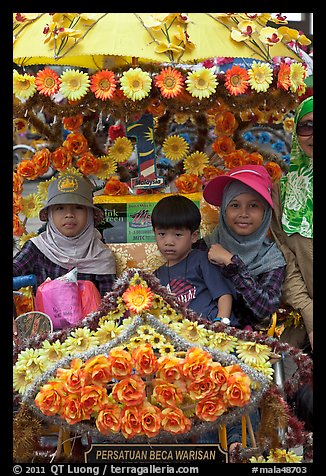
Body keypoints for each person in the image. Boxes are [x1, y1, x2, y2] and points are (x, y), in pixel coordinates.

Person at [199, 164, 287, 454]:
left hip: (250, 340)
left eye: (253, 206)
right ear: (223, 210)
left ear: (265, 214)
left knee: (239, 370)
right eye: (234, 205)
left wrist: (233, 264)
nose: (243, 213)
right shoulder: (205, 247)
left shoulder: (272, 258)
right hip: (202, 335)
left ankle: (241, 449)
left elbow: (264, 308)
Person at [13, 174, 116, 298]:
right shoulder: (37, 248)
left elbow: (110, 304)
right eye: (60, 208)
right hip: (47, 317)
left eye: (78, 208)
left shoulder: (101, 255)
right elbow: (15, 270)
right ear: (50, 214)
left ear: (90, 214)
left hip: (93, 317)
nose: (69, 214)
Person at [269, 95, 313, 351]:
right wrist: (309, 314)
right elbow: (283, 256)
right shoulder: (282, 193)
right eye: (307, 126)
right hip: (300, 311)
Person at [151, 194, 235, 323]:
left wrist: (221, 322)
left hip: (210, 328)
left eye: (178, 235)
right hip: (179, 334)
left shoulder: (202, 260)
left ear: (194, 236)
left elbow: (224, 295)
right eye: (162, 234)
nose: (168, 242)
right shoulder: (156, 276)